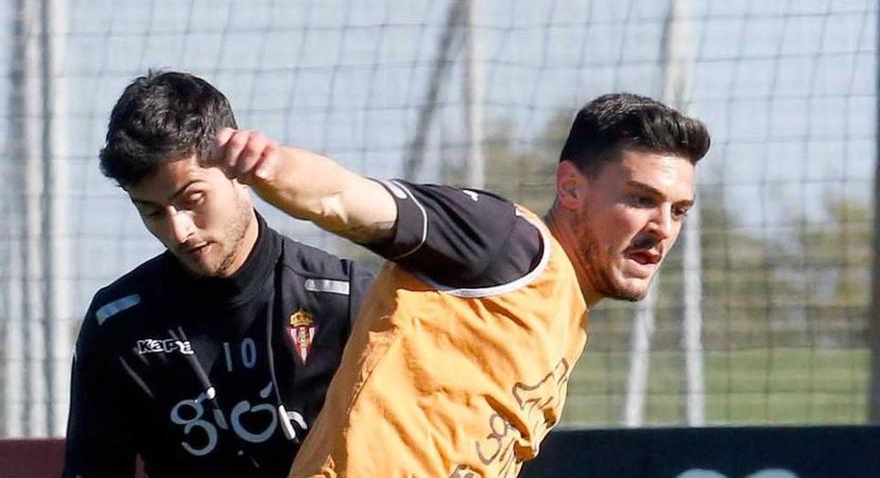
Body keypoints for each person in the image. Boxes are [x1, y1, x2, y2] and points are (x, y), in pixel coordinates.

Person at [211, 93, 710, 477]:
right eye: (642, 199)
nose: (664, 226)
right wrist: (269, 166)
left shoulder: (565, 314)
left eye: (679, 211)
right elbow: (348, 197)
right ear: (572, 187)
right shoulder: (506, 242)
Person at [62, 71, 375, 478]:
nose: (179, 231)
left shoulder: (345, 299)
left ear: (236, 170)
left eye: (192, 199)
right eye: (152, 212)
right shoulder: (119, 325)